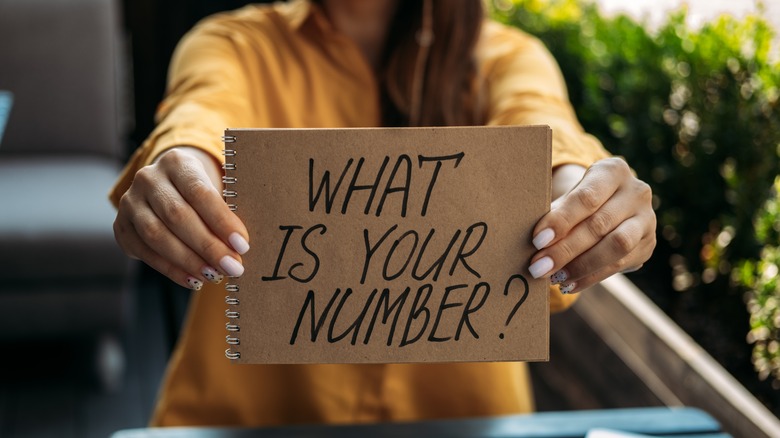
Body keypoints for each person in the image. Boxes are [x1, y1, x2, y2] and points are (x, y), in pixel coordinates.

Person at [111, 0, 656, 427]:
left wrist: (580, 194)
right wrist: (182, 167)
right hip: (246, 421)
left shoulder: (507, 57)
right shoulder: (231, 43)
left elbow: (543, 122)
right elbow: (201, 112)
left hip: (464, 424)